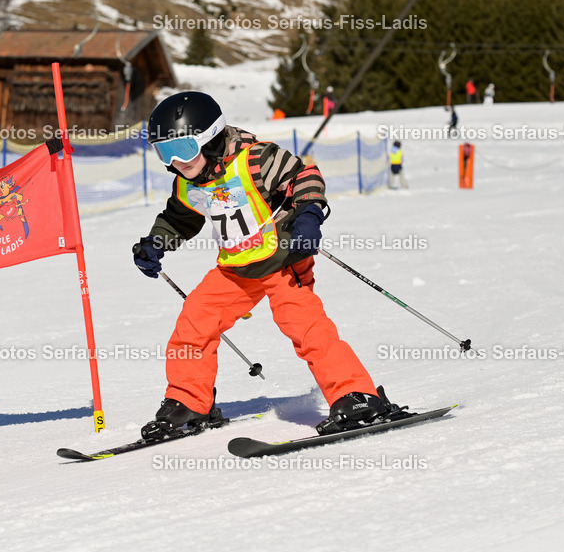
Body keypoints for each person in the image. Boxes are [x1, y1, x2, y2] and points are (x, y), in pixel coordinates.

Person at [132, 92, 397, 441]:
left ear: (210, 137)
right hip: (235, 269)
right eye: (165, 152)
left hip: (283, 261)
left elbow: (304, 175)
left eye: (184, 149)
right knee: (193, 324)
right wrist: (155, 243)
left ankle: (356, 395)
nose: (177, 161)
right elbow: (179, 219)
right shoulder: (188, 181)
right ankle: (188, 402)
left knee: (305, 328)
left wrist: (309, 215)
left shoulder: (255, 159)